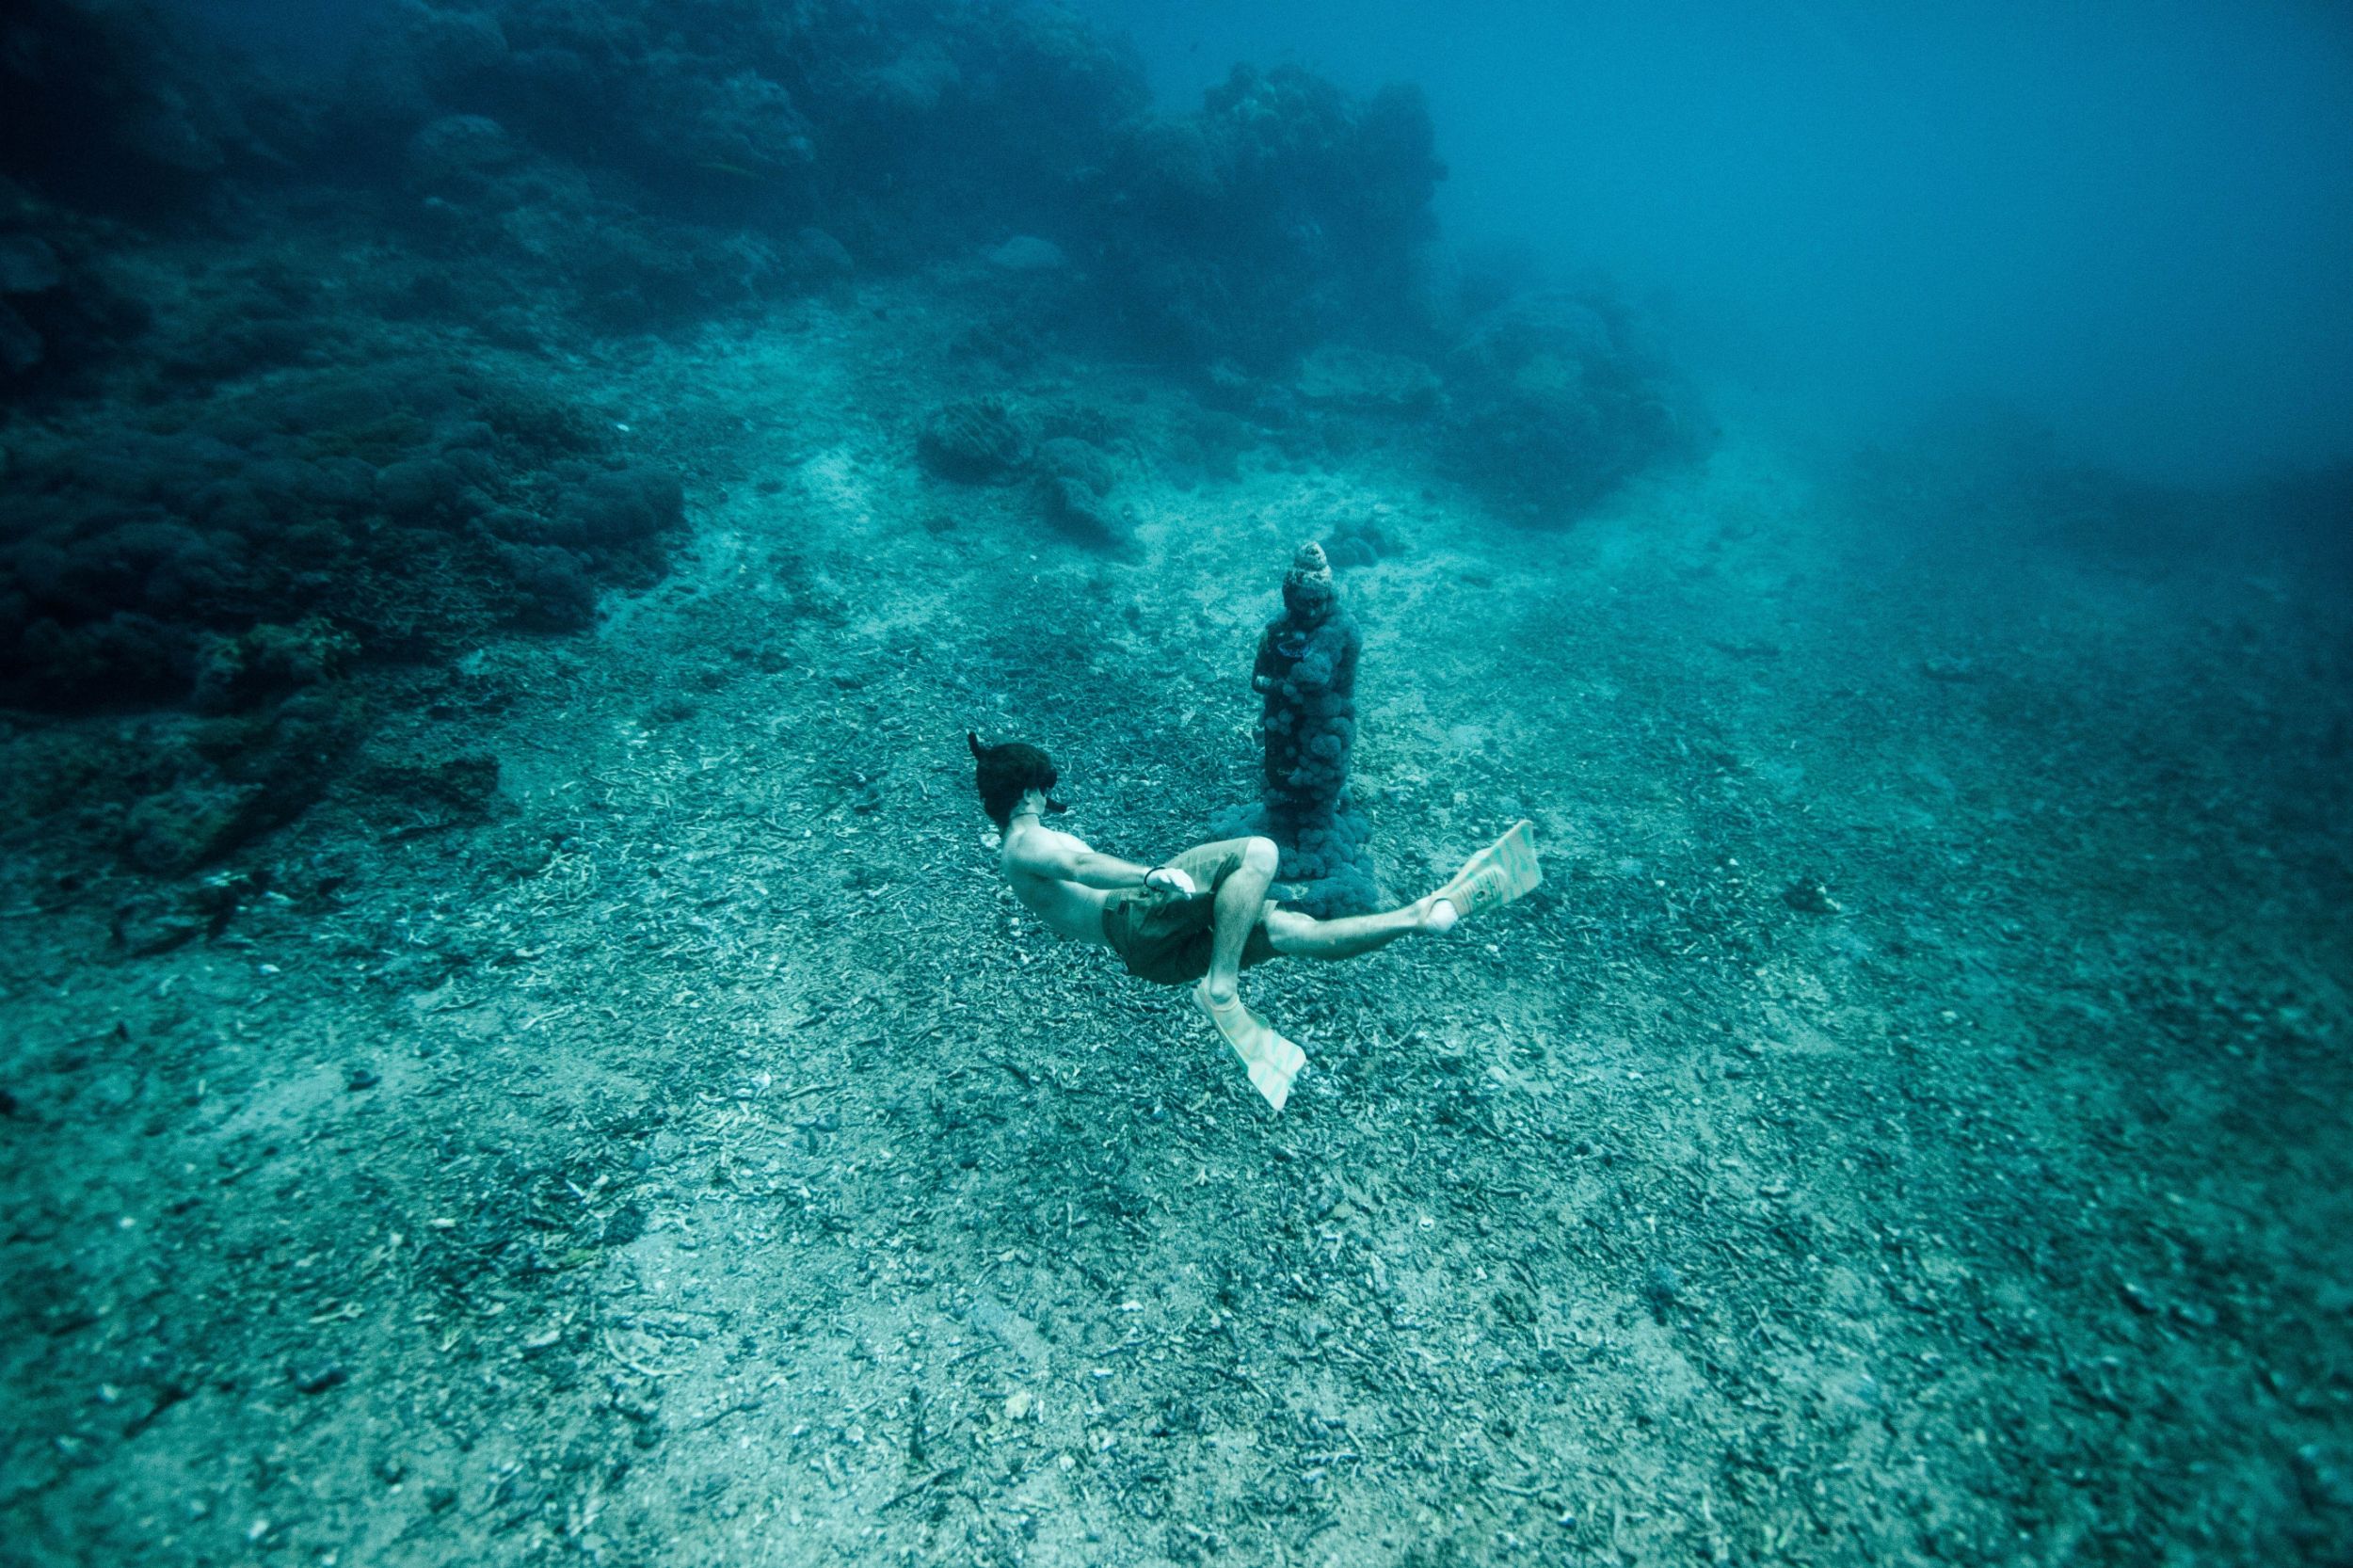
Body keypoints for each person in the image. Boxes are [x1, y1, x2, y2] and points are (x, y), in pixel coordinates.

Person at [968, 733, 1541, 1112]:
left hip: (1147, 954)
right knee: (1259, 853)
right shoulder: (1025, 842)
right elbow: (1080, 863)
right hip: (1134, 917)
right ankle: (1221, 990)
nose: (1050, 796)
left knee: (1295, 931)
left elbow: (1067, 861)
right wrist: (1149, 875)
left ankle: (1420, 917)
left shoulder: (1018, 842)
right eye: (1046, 787)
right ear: (1028, 792)